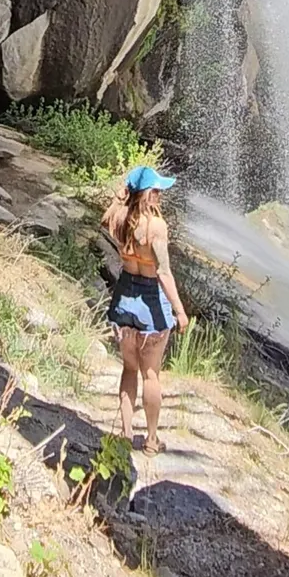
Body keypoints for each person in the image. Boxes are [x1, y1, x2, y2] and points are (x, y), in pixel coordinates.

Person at [101, 164, 189, 455]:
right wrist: (179, 311)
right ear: (148, 194)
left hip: (124, 295)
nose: (161, 195)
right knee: (151, 374)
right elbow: (164, 272)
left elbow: (111, 219)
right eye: (157, 190)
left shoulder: (118, 218)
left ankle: (126, 436)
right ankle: (151, 440)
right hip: (151, 300)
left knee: (128, 368)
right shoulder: (157, 227)